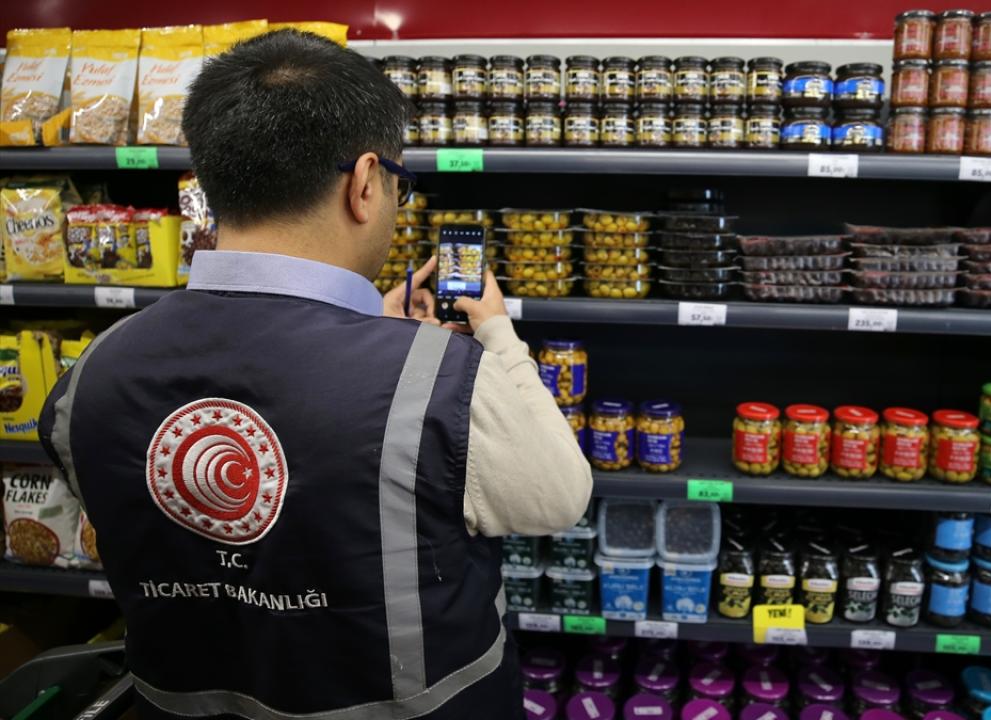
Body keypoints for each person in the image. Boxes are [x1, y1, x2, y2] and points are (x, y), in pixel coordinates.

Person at [38, 30, 592, 720]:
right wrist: (496, 334)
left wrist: (374, 333)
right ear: (365, 183)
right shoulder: (442, 377)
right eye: (399, 185)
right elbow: (560, 496)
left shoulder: (88, 374)